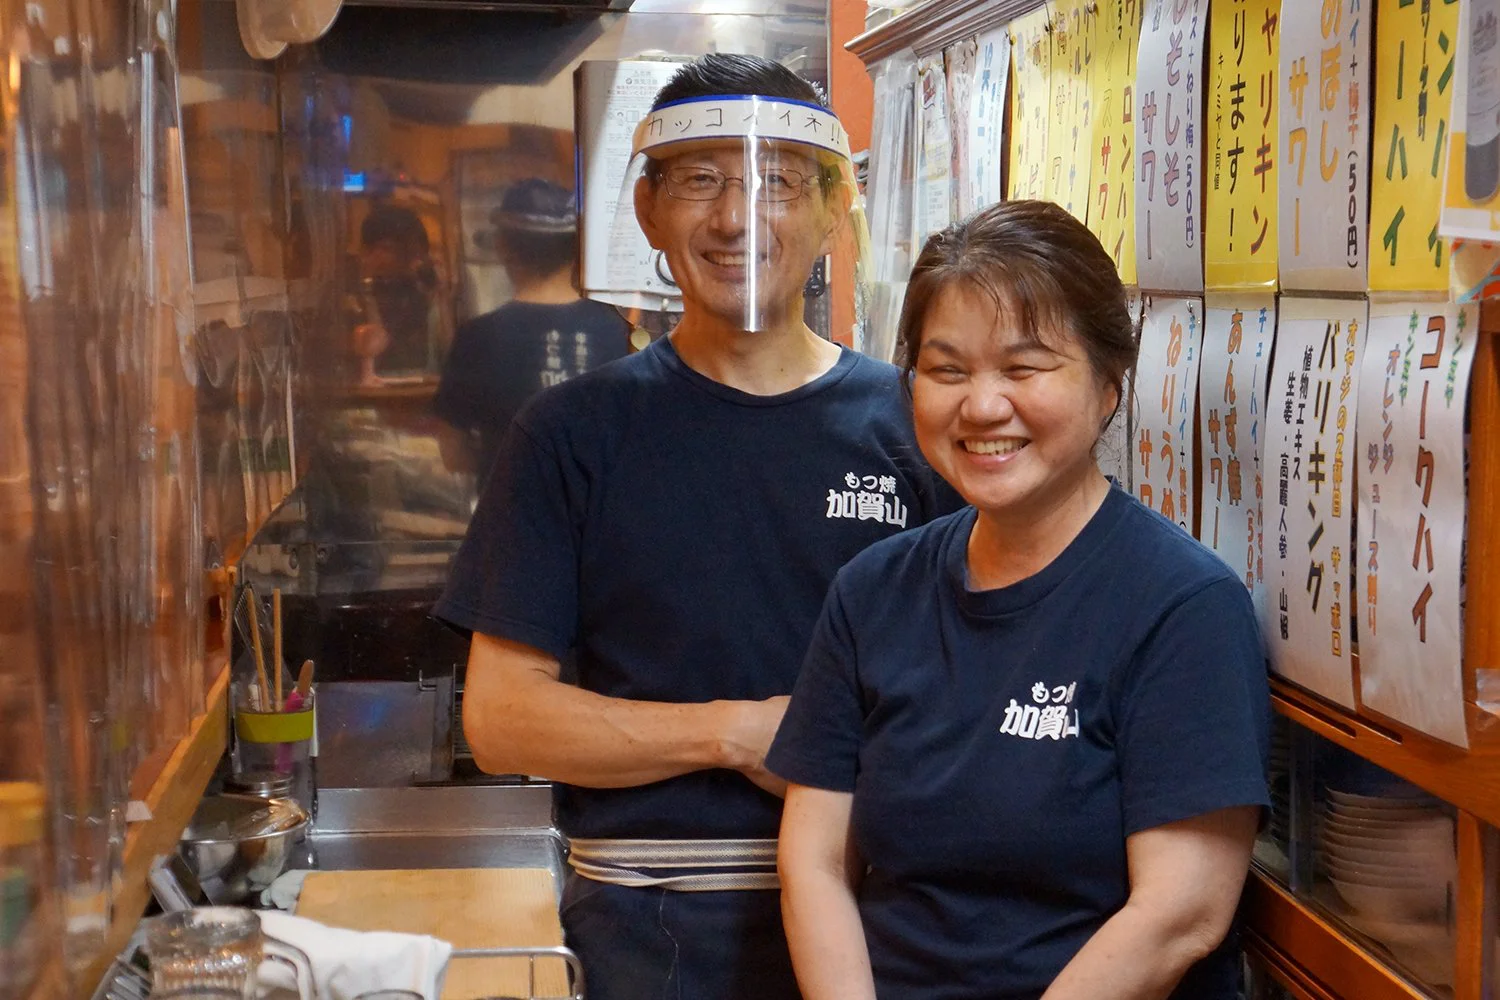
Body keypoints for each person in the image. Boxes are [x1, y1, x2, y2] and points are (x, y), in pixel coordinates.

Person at [434, 54, 958, 1000]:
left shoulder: (915, 427)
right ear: (648, 210)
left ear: (836, 213)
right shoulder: (572, 434)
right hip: (649, 926)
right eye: (701, 180)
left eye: (776, 182)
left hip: (885, 912)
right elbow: (501, 720)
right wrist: (736, 734)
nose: (735, 216)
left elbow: (971, 683)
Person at [768, 200, 1271, 1000]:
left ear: (1109, 384)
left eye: (1025, 367)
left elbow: (1180, 914)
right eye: (947, 369)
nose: (982, 406)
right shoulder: (873, 589)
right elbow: (816, 861)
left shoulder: (1183, 604)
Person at [433, 179, 630, 479]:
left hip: (512, 514)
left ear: (503, 245)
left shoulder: (478, 337)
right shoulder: (620, 331)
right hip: (603, 518)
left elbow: (452, 453)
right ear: (576, 248)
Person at [348, 203, 441, 382]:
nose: (404, 259)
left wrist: (440, 297)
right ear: (367, 251)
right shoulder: (351, 295)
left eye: (412, 252)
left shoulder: (423, 293)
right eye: (390, 249)